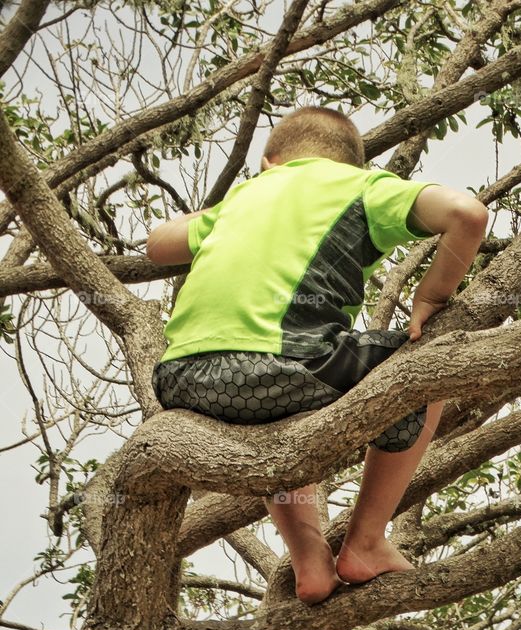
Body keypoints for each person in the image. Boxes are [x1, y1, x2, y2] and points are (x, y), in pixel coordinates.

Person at [146, 107, 487, 603]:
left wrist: (241, 203)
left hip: (180, 382)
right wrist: (431, 297)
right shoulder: (362, 186)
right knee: (427, 368)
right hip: (282, 368)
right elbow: (467, 214)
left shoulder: (243, 197)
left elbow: (158, 244)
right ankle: (366, 541)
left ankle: (310, 560)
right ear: (353, 164)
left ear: (269, 162)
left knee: (280, 426)